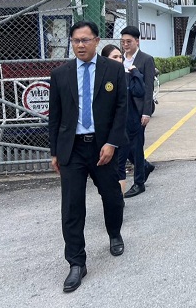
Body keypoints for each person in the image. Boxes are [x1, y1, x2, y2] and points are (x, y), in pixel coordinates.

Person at [48, 21, 127, 293]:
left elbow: (121, 109)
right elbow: (55, 116)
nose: (80, 45)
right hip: (72, 149)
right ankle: (76, 262)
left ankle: (114, 233)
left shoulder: (113, 70)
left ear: (96, 40)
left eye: (85, 40)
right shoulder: (60, 74)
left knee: (112, 197)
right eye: (76, 41)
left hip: (102, 146)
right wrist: (54, 151)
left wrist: (111, 143)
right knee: (72, 206)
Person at [101, 44, 145, 195]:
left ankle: (139, 183)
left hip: (132, 122)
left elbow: (139, 91)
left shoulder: (127, 75)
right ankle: (116, 196)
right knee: (119, 161)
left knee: (136, 154)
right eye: (114, 57)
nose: (119, 59)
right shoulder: (101, 79)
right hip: (114, 126)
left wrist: (135, 73)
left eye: (120, 57)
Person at [119, 25, 156, 198]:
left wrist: (146, 112)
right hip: (122, 110)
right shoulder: (120, 60)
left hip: (138, 110)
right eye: (123, 42)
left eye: (129, 42)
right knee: (125, 146)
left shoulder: (145, 59)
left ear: (137, 41)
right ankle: (145, 166)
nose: (125, 45)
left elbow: (148, 88)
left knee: (136, 146)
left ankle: (139, 183)